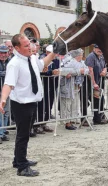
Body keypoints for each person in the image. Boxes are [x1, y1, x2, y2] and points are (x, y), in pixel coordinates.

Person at [0, 34, 56, 176]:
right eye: (26, 46)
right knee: (23, 135)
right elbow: (8, 84)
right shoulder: (14, 64)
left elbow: (43, 64)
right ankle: (22, 167)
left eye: (29, 44)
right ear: (17, 48)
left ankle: (18, 159)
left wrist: (55, 52)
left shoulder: (32, 58)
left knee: (24, 133)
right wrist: (3, 99)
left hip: (32, 101)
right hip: (21, 104)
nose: (30, 48)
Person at [60, 49, 89, 130]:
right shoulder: (69, 61)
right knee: (66, 104)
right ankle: (66, 122)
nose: (82, 56)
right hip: (67, 86)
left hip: (76, 86)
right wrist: (79, 71)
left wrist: (82, 71)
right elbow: (64, 70)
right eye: (80, 54)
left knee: (74, 104)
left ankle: (72, 119)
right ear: (77, 55)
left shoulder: (82, 62)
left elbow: (86, 70)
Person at [84, 44, 108, 125]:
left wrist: (104, 71)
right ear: (94, 48)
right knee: (96, 101)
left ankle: (99, 117)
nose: (99, 50)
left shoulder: (101, 56)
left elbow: (105, 66)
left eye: (101, 48)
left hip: (99, 82)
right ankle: (96, 119)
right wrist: (93, 83)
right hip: (90, 83)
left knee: (100, 100)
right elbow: (90, 70)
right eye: (98, 48)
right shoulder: (91, 56)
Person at [0, 45, 10, 143]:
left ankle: (3, 132)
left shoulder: (9, 61)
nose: (3, 54)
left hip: (7, 91)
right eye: (1, 52)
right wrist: (6, 73)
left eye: (5, 52)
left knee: (6, 112)